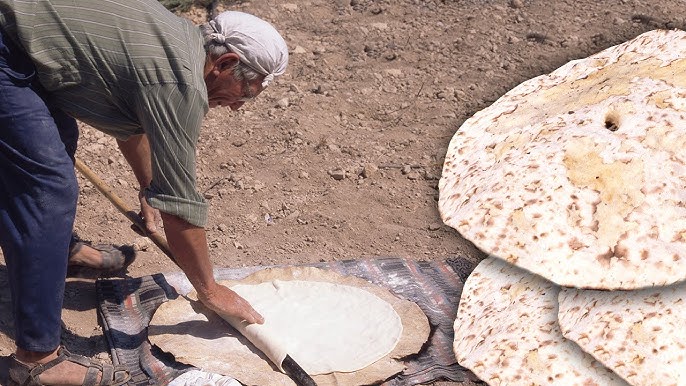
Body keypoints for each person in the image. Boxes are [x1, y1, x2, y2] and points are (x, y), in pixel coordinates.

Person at [0, 0, 288, 384]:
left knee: (53, 139)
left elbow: (134, 121)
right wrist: (210, 289)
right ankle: (37, 361)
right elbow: (180, 208)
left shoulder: (179, 42)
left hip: (21, 45)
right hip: (6, 49)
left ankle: (56, 250)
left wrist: (148, 187)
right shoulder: (180, 81)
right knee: (48, 184)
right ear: (224, 63)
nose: (237, 107)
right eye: (246, 91)